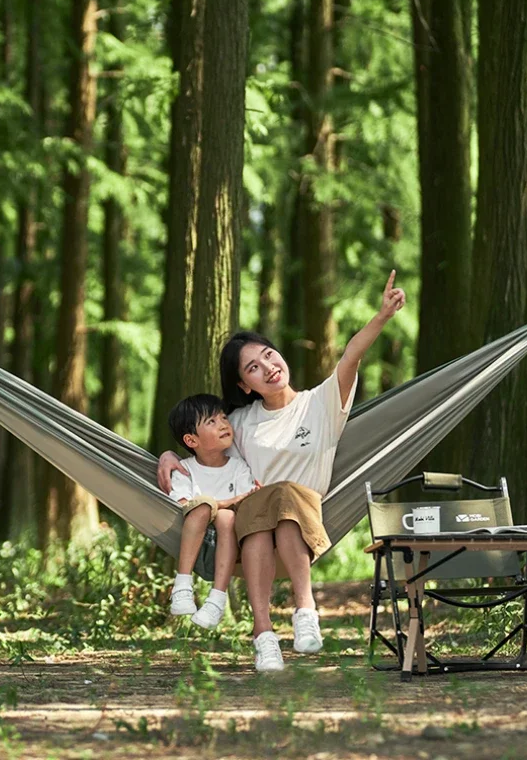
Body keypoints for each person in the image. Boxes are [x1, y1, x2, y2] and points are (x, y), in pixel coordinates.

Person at [158, 271, 406, 671]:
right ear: (244, 385)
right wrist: (168, 457)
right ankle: (264, 636)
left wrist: (381, 317)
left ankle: (304, 610)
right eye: (253, 368)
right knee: (261, 511)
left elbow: (351, 356)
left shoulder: (321, 403)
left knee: (285, 495)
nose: (269, 367)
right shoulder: (240, 422)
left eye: (269, 355)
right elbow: (205, 447)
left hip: (303, 517)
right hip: (253, 525)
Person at [166, 394, 259, 629]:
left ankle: (216, 599)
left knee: (225, 515)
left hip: (229, 544)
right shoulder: (184, 470)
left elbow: (245, 502)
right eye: (211, 421)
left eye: (224, 417)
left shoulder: (239, 468)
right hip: (195, 543)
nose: (223, 424)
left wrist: (224, 505)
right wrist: (226, 502)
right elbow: (183, 503)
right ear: (191, 440)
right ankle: (183, 587)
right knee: (203, 506)